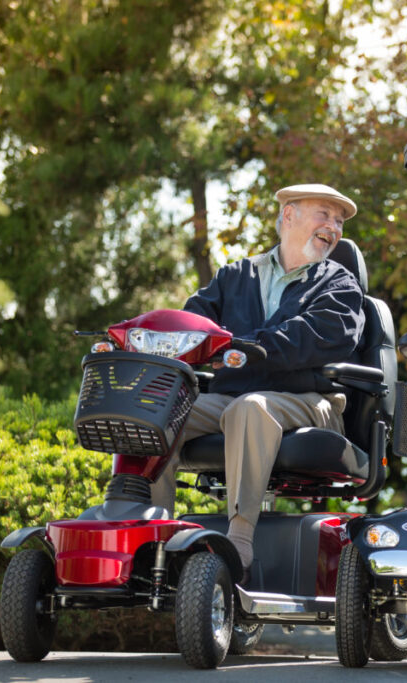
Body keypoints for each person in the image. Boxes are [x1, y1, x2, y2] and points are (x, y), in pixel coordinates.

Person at [151, 183, 365, 582]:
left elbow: (313, 337)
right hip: (233, 397)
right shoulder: (235, 275)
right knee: (162, 411)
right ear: (289, 216)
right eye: (324, 215)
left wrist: (246, 348)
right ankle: (155, 532)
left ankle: (239, 543)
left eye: (339, 221)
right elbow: (194, 324)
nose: (334, 227)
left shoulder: (339, 284)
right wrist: (157, 340)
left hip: (309, 400)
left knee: (249, 408)